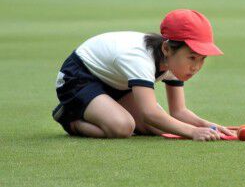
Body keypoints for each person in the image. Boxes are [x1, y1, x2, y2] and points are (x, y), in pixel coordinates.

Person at [52, 9, 235, 141]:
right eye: (192, 57)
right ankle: (70, 119)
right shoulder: (139, 58)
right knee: (122, 127)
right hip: (78, 78)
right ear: (166, 48)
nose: (196, 67)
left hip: (115, 83)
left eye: (202, 59)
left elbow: (179, 111)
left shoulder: (174, 62)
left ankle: (104, 107)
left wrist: (208, 126)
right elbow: (149, 113)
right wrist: (192, 132)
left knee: (155, 128)